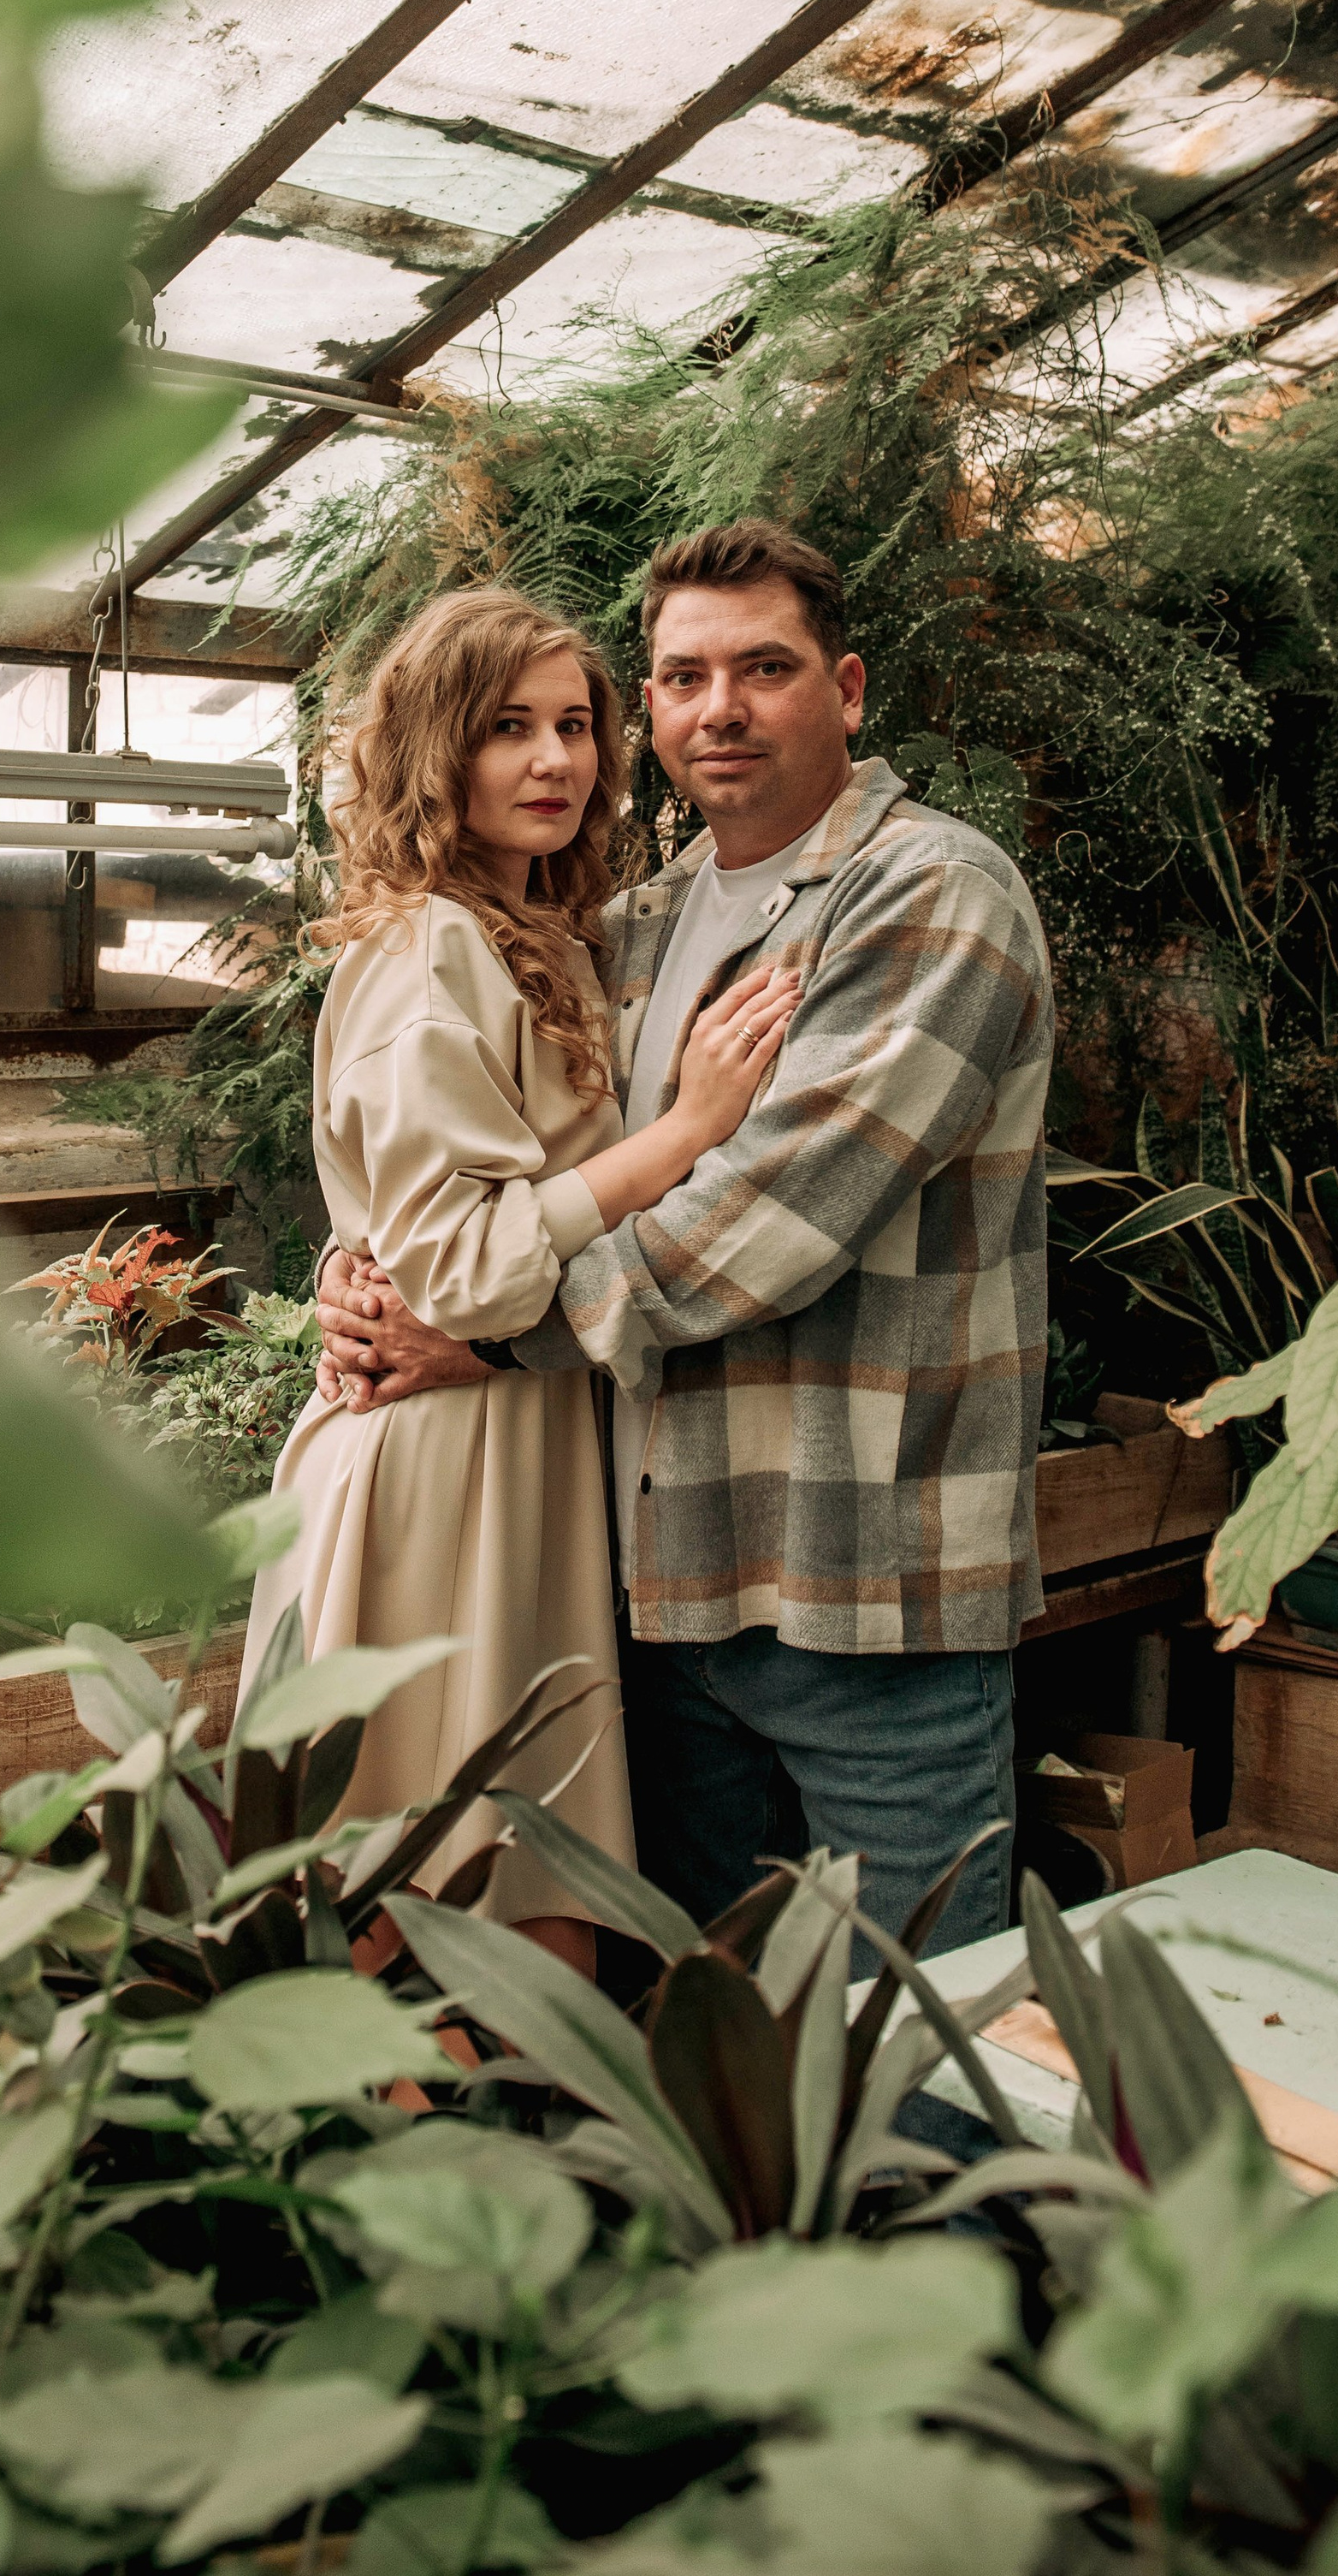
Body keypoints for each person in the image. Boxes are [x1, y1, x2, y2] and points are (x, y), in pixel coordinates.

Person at [316, 522, 1055, 1965]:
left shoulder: (928, 897)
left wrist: (474, 1328)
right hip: (664, 1580)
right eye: (681, 677)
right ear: (652, 715)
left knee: (926, 2043)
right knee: (731, 2037)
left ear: (844, 690)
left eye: (765, 668)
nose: (721, 706)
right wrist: (369, 1266)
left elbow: (761, 1227)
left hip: (864, 1580)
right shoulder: (629, 929)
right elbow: (486, 1159)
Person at [243, 586, 798, 1975]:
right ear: (437, 750)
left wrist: (361, 1247)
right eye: (508, 729)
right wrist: (687, 1130)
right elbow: (478, 1267)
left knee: (506, 1864)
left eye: (574, 727)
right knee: (436, 1875)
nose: (556, 762)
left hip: (520, 1442)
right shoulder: (433, 941)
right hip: (446, 1466)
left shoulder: (535, 931)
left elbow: (426, 1206)